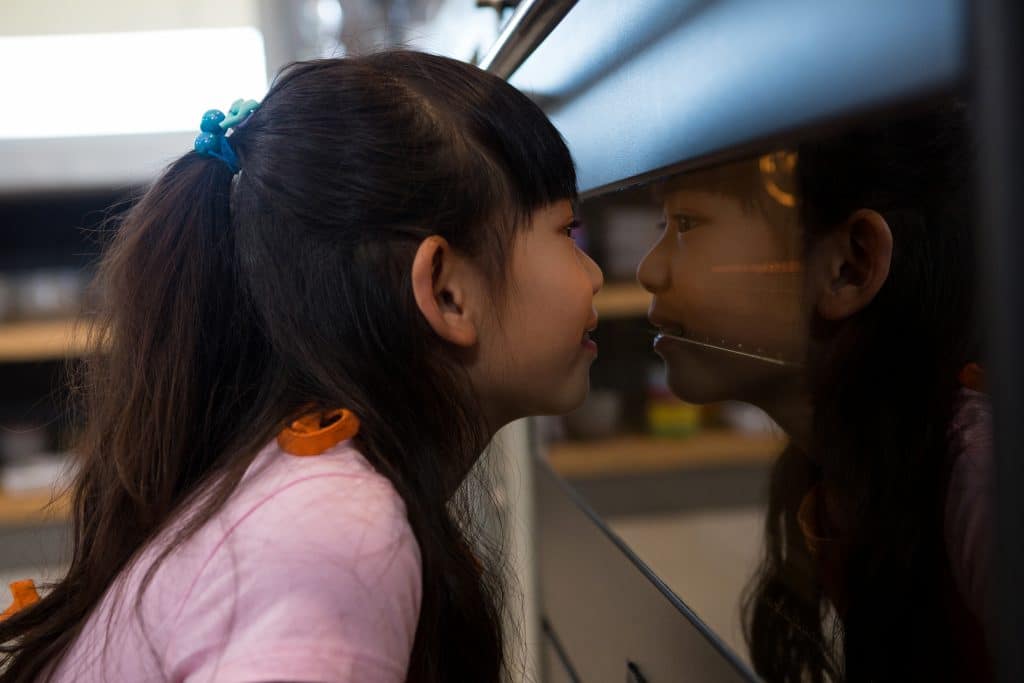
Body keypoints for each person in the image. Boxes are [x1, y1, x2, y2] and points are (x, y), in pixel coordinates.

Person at [0, 50, 603, 683]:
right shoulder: (334, 533)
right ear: (447, 290)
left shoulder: (304, 492)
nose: (594, 273)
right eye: (568, 230)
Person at [638, 102, 991, 681]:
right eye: (663, 227)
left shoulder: (980, 474)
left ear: (849, 267)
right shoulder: (835, 485)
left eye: (687, 224)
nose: (650, 270)